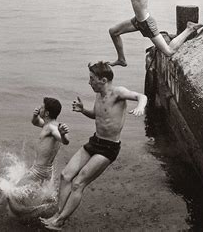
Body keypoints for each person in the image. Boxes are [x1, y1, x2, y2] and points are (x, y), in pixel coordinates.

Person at [40, 61, 147, 230]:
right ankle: (58, 214)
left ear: (103, 80)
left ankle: (60, 221)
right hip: (94, 141)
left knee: (79, 183)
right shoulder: (99, 95)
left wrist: (141, 106)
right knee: (65, 175)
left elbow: (142, 96)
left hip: (108, 147)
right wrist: (83, 110)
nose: (89, 82)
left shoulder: (118, 92)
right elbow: (99, 116)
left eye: (92, 79)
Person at [17, 97, 70, 186]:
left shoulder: (51, 128)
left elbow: (65, 141)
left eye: (41, 107)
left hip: (38, 171)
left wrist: (63, 135)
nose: (39, 108)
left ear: (46, 113)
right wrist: (35, 116)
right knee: (35, 195)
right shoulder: (50, 125)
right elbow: (35, 122)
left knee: (13, 192)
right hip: (48, 171)